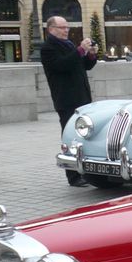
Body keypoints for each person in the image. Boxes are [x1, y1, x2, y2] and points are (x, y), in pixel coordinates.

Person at [41, 15, 97, 186]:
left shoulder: (68, 45)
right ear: (51, 29)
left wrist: (91, 55)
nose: (66, 30)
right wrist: (80, 50)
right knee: (70, 137)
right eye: (62, 27)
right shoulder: (48, 48)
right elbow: (62, 65)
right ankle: (72, 176)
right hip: (66, 99)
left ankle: (86, 171)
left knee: (84, 136)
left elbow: (83, 66)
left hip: (82, 97)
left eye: (67, 27)